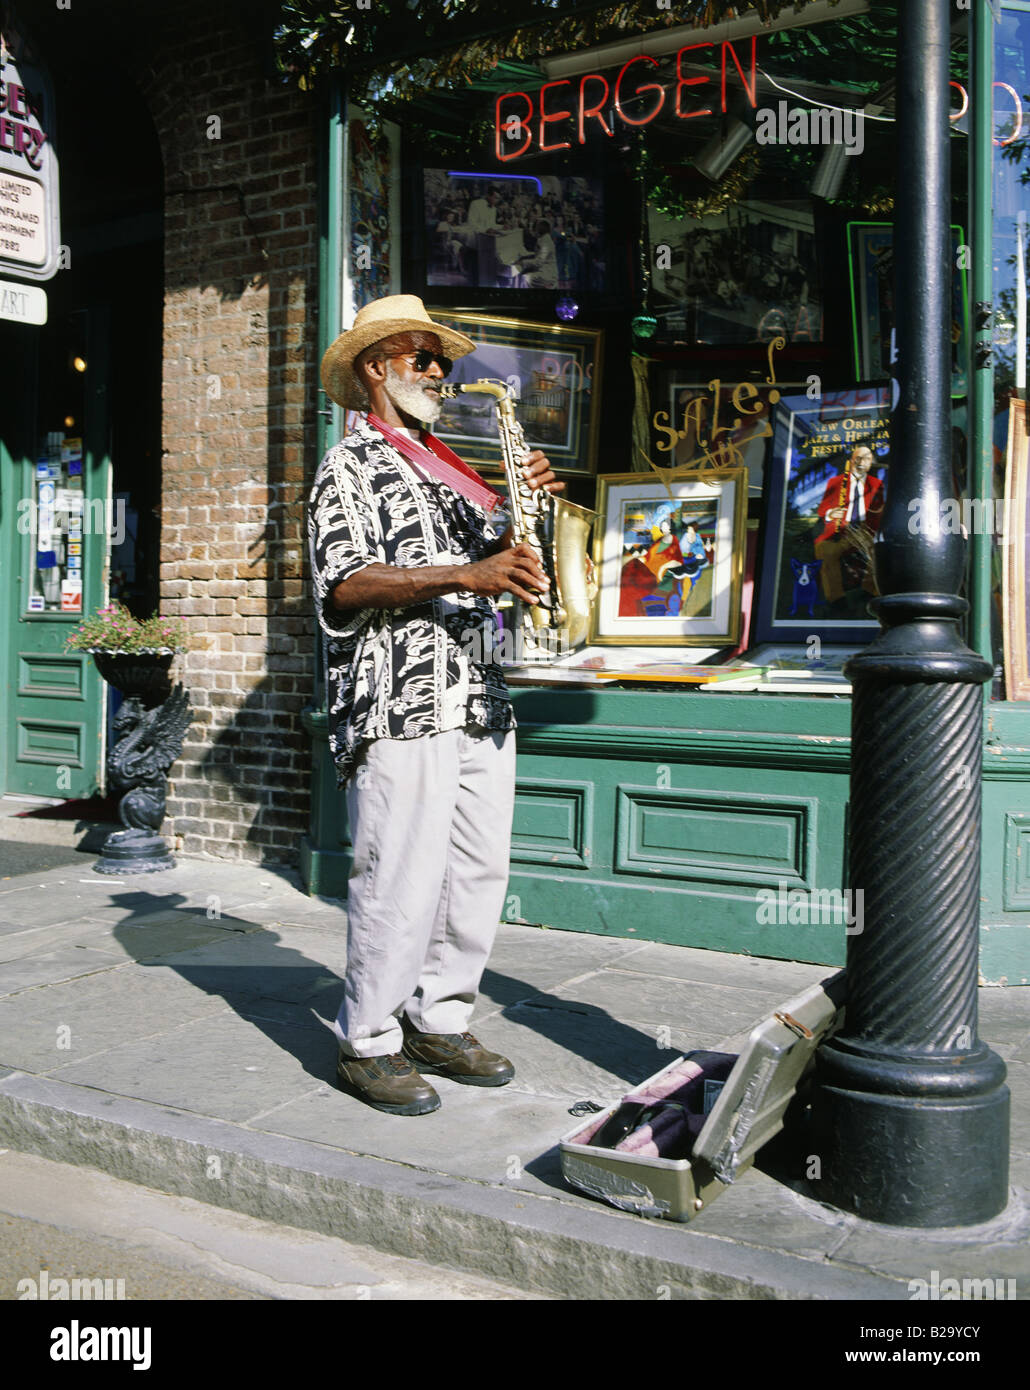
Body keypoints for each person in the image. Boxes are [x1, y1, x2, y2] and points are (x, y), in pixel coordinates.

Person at [309, 295, 563, 1116]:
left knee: (477, 872)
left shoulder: (455, 466)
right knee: (400, 875)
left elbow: (510, 561)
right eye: (422, 358)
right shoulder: (348, 466)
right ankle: (369, 1041)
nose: (438, 374)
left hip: (480, 690)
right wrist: (467, 575)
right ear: (376, 367)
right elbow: (343, 583)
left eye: (443, 362)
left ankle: (441, 1019)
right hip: (399, 696)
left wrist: (537, 505)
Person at [814, 443, 885, 604]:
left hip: (864, 530)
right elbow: (822, 509)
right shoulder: (836, 482)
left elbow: (878, 513)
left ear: (871, 462)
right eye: (858, 458)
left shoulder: (876, 484)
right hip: (840, 531)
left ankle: (869, 591)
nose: (861, 462)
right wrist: (831, 514)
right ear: (851, 461)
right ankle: (836, 599)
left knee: (878, 549)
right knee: (824, 550)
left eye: (866, 459)